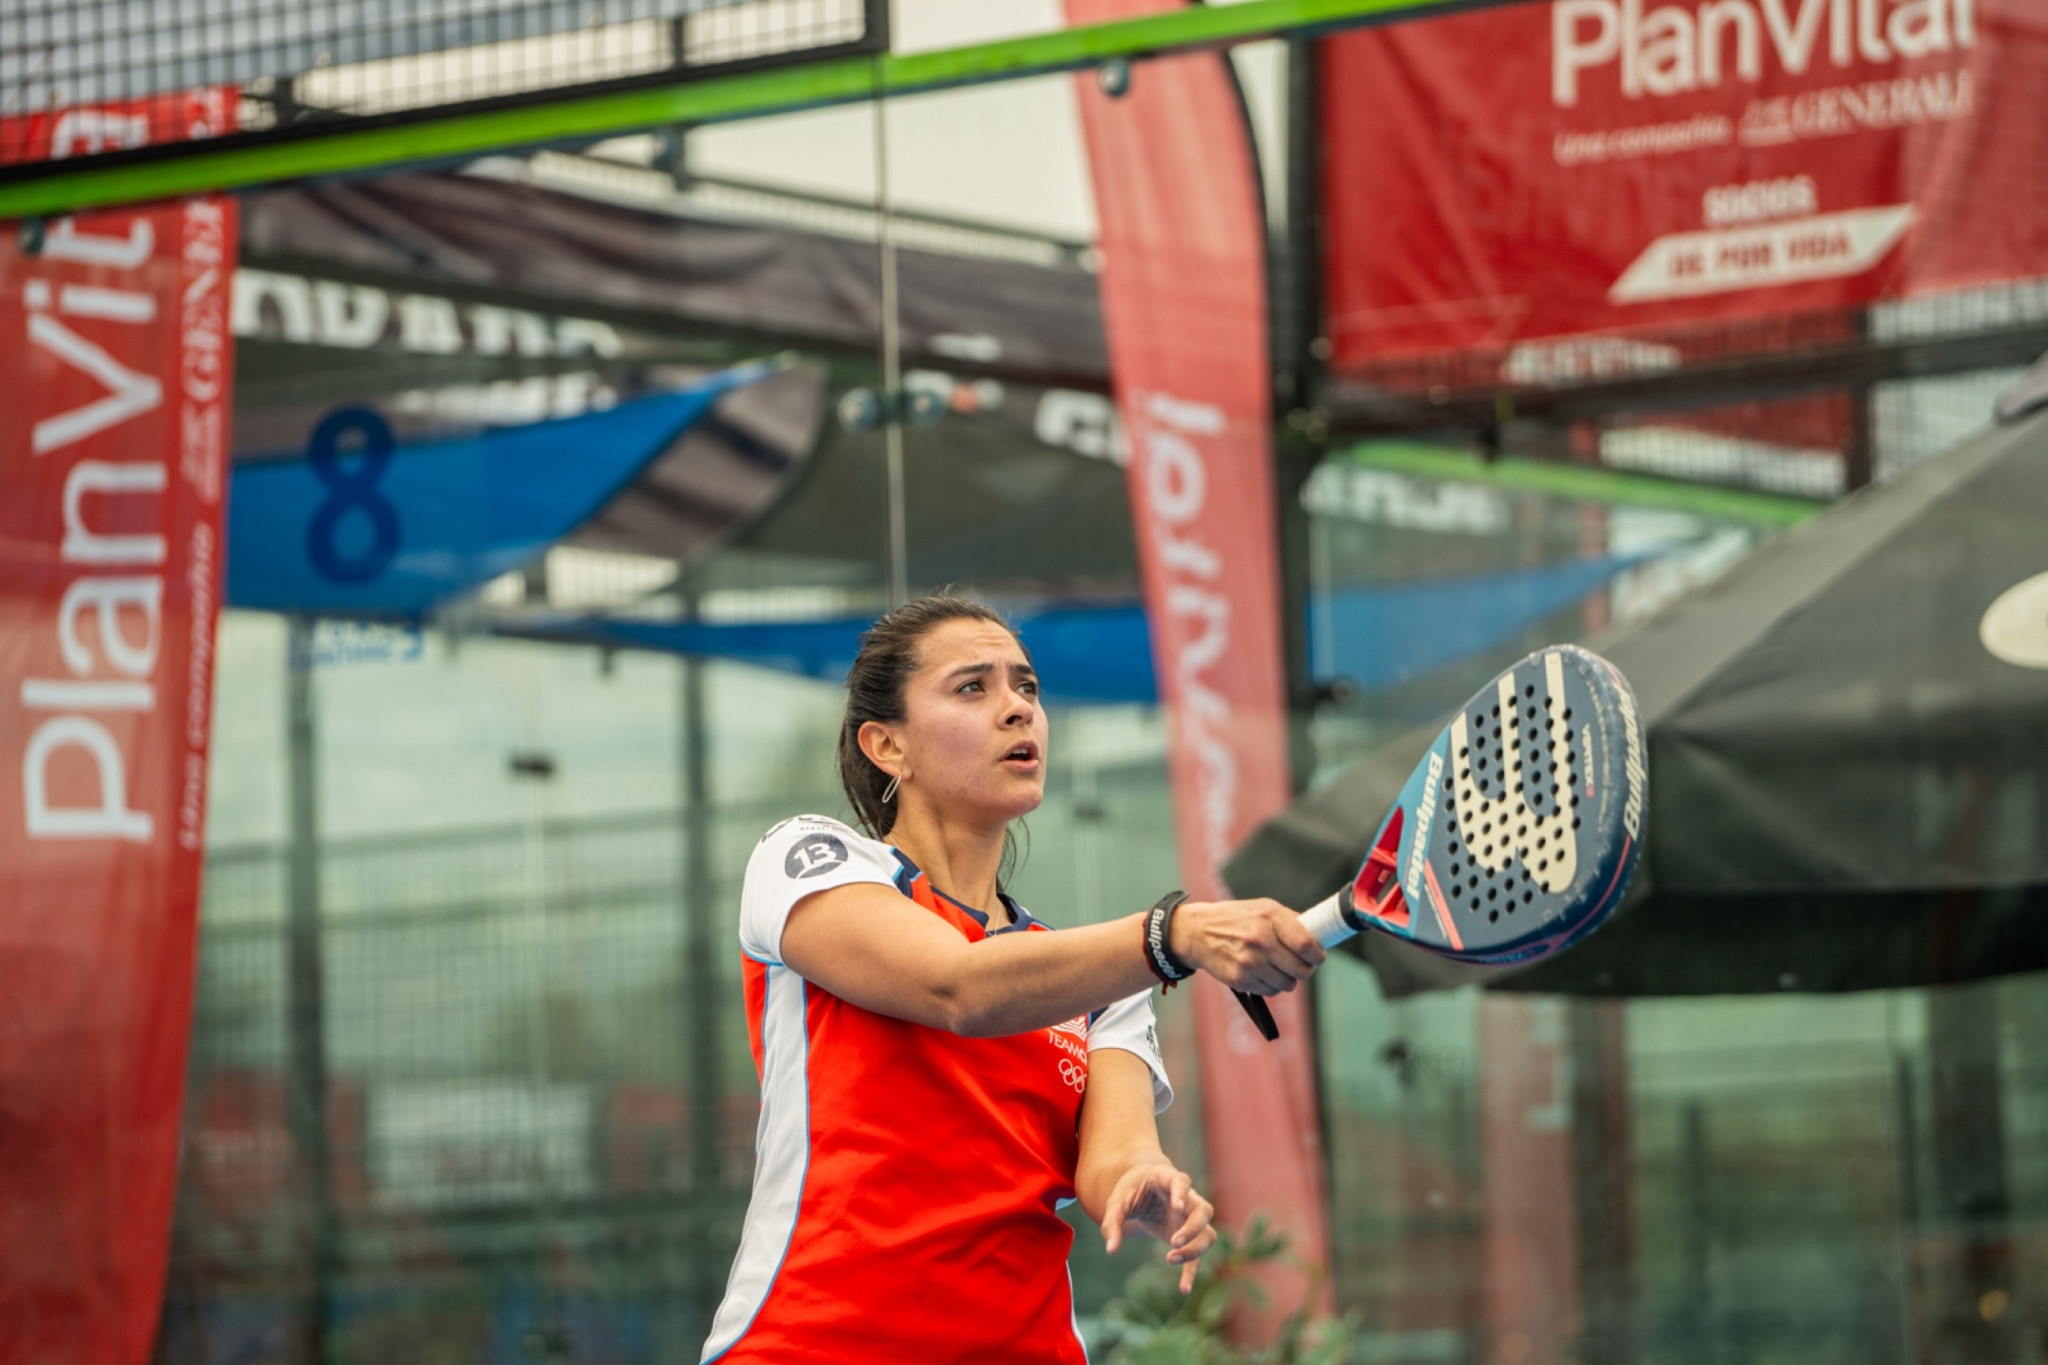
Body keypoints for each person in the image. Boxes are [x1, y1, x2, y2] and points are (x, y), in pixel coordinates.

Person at [701, 594, 1326, 1364]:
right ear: (887, 744)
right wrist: (1175, 931)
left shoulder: (1099, 981)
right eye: (973, 686)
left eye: (1026, 686)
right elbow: (957, 986)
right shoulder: (806, 858)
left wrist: (1144, 1181)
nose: (1017, 708)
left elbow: (1114, 1157)